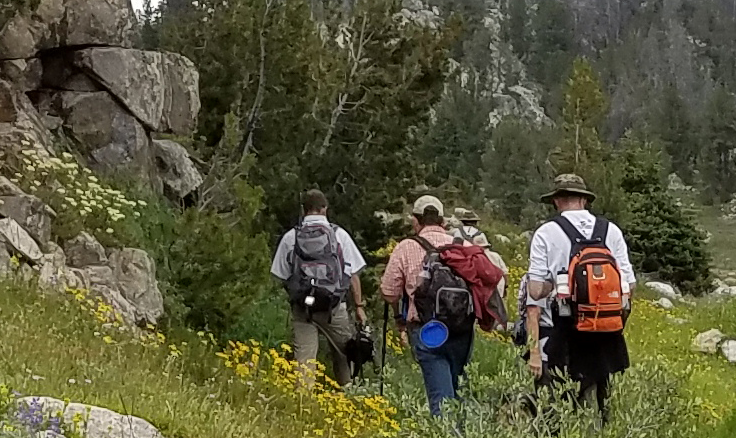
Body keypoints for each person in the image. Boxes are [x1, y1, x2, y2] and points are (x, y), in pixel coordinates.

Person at [519, 170, 633, 421]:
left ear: (557, 201)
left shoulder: (546, 233)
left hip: (563, 331)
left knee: (556, 406)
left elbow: (534, 295)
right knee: (600, 405)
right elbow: (629, 287)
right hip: (606, 332)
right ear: (584, 200)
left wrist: (534, 349)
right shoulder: (610, 230)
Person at [381, 193, 503, 417]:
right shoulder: (463, 246)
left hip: (427, 330)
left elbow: (389, 293)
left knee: (441, 398)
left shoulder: (406, 247)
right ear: (443, 222)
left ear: (415, 221)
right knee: (457, 391)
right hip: (462, 329)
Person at [267, 192, 366, 379]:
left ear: (304, 210)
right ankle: (346, 394)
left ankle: (304, 403)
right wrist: (359, 306)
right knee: (345, 355)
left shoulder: (291, 237)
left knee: (304, 362)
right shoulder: (339, 235)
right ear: (325, 209)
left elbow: (280, 274)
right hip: (334, 307)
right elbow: (353, 274)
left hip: (303, 309)